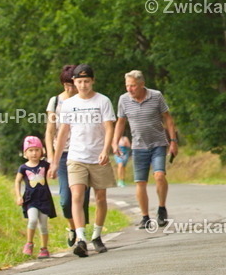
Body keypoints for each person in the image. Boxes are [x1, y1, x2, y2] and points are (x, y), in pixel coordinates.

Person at [48, 64, 116, 258]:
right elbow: (62, 133)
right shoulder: (69, 104)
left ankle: (97, 234)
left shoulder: (102, 101)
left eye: (86, 81)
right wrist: (54, 161)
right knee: (76, 196)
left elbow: (109, 127)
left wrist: (105, 150)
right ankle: (81, 238)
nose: (83, 85)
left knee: (100, 197)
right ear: (74, 83)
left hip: (98, 156)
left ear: (92, 81)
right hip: (76, 157)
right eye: (79, 82)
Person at [113, 70, 179, 228]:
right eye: (127, 85)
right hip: (138, 146)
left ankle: (161, 208)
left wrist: (173, 141)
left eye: (133, 86)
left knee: (159, 176)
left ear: (142, 85)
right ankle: (145, 217)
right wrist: (115, 143)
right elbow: (120, 122)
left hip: (158, 144)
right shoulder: (123, 99)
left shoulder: (156, 96)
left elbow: (168, 118)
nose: (130, 89)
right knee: (140, 182)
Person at [45, 64, 90, 247]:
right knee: (65, 198)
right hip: (62, 154)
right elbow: (50, 131)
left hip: (82, 152)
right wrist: (50, 156)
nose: (68, 88)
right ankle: (72, 227)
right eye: (65, 84)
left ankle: (81, 235)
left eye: (71, 84)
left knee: (82, 196)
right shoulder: (55, 102)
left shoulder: (86, 100)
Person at [14, 135, 56, 259]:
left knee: (43, 225)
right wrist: (18, 196)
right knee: (32, 220)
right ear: (25, 153)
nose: (34, 153)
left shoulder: (44, 165)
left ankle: (44, 248)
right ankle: (29, 243)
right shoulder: (23, 168)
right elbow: (17, 181)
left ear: (41, 151)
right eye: (30, 150)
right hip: (30, 199)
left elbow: (53, 171)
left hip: (44, 199)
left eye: (37, 150)